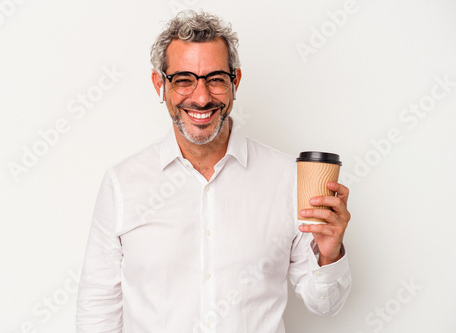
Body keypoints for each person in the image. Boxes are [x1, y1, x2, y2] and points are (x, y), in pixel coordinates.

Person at [76, 10, 351, 333]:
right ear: (159, 85)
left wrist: (330, 254)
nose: (202, 97)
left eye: (216, 79)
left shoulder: (288, 179)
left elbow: (325, 305)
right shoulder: (122, 184)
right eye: (183, 80)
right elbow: (98, 310)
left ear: (235, 81)